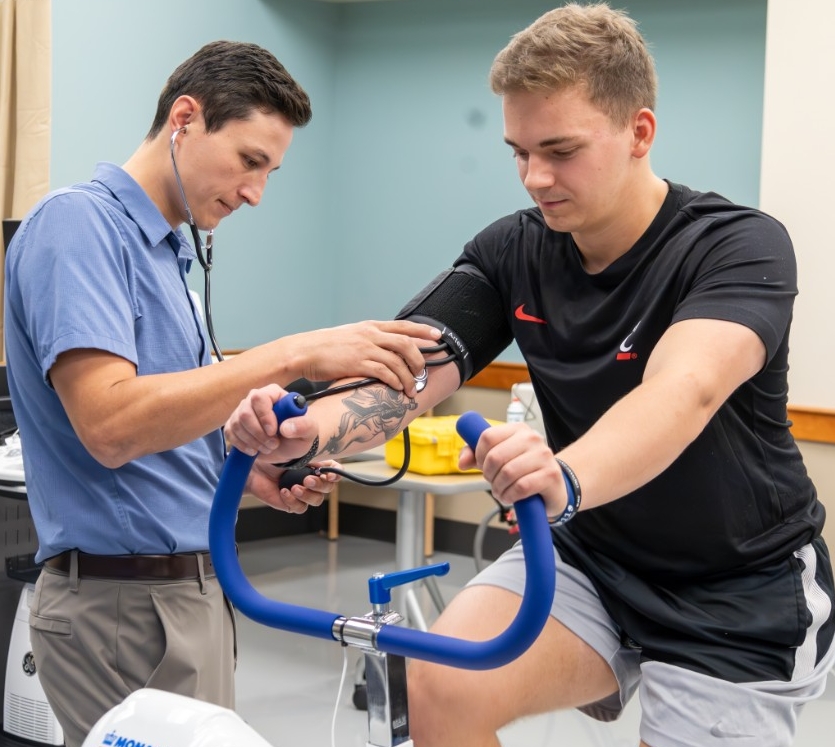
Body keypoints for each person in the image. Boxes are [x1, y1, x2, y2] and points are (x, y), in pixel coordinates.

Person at [224, 4, 835, 747]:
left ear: (639, 131)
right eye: (517, 151)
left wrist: (564, 477)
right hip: (593, 557)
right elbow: (406, 373)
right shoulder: (514, 249)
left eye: (560, 150)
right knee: (441, 680)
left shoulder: (737, 246)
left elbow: (683, 391)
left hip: (737, 585)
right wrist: (299, 430)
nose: (533, 178)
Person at [2, 40, 439, 746]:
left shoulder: (170, 256)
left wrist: (250, 474)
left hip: (191, 591)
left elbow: (167, 423)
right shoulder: (77, 226)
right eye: (248, 160)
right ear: (185, 118)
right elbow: (110, 424)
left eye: (270, 171)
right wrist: (293, 352)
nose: (254, 192)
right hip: (121, 605)